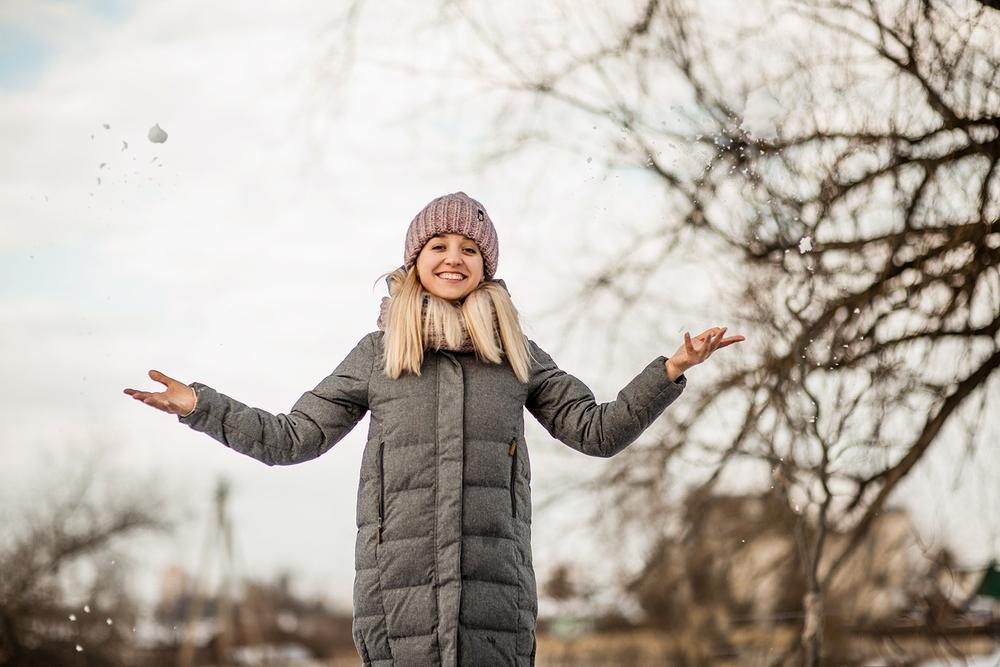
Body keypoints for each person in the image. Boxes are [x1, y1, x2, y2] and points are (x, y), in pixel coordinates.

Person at [123, 191, 745, 666]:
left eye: (469, 248)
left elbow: (596, 430)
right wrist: (201, 406)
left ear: (485, 266)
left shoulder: (515, 354)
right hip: (399, 603)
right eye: (439, 246)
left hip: (494, 608)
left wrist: (670, 370)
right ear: (416, 261)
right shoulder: (378, 355)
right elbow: (293, 439)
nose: (454, 258)